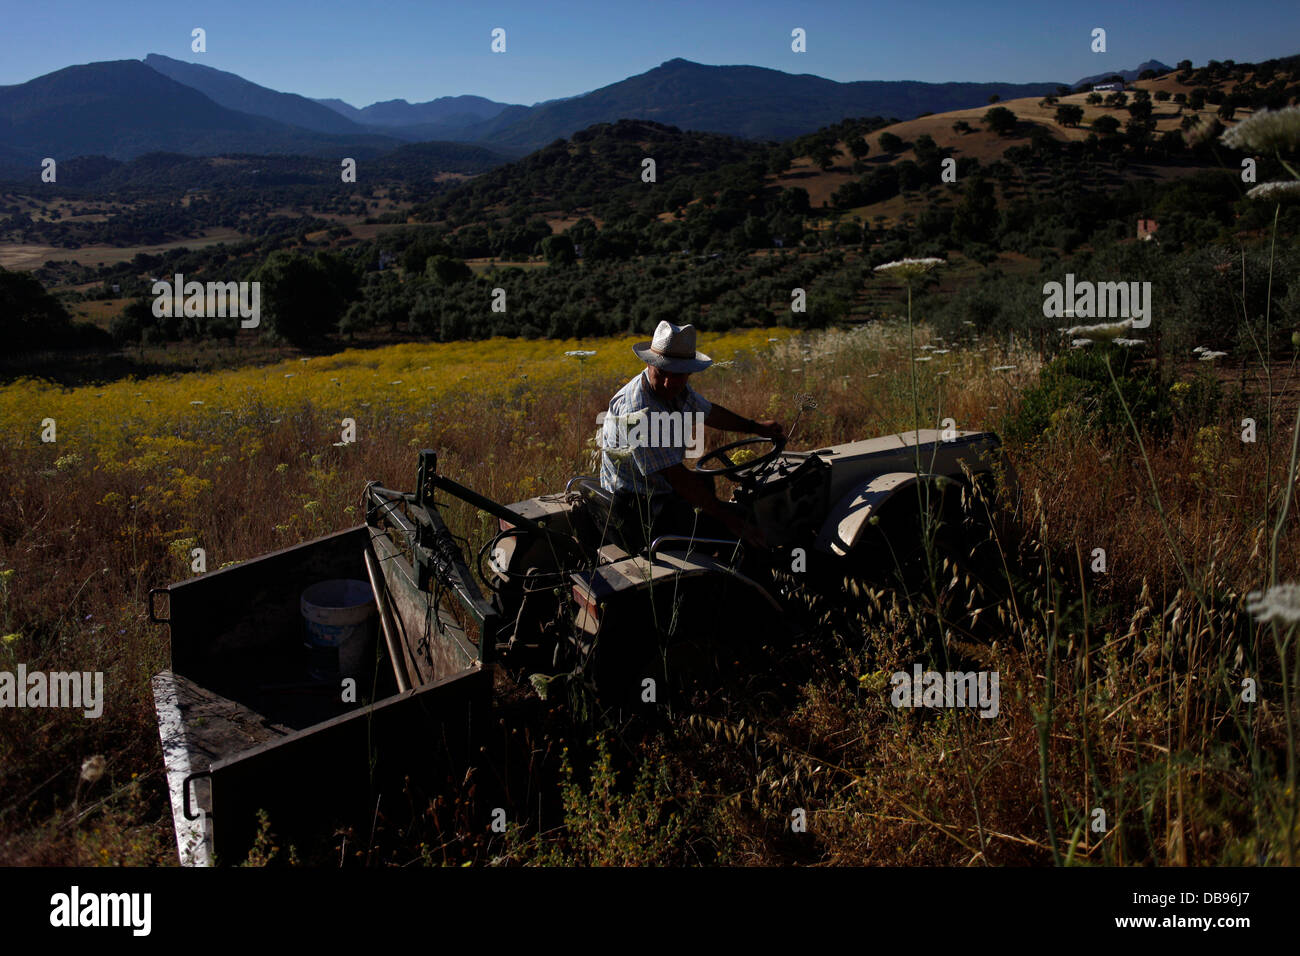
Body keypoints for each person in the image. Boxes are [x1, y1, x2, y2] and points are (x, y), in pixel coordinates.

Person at [599, 320, 782, 550]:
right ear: (649, 365)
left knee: (705, 482)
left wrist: (755, 427)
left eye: (678, 374)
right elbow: (675, 476)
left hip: (654, 491)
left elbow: (710, 413)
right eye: (662, 372)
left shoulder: (676, 391)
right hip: (640, 510)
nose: (669, 382)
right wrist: (731, 520)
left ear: (688, 372)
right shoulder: (638, 412)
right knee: (742, 520)